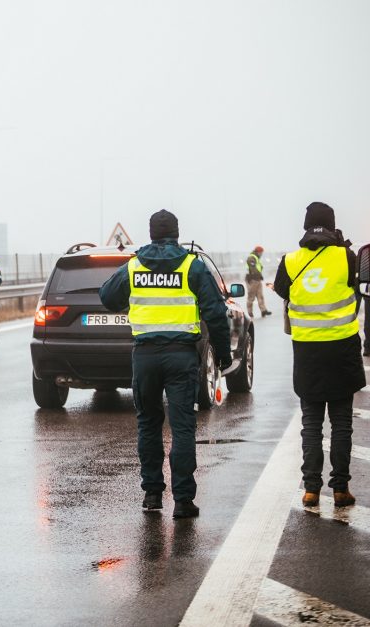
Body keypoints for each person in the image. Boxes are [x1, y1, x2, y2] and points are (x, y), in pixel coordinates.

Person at [99, 210, 232, 519]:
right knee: (183, 426)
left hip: (145, 356)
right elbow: (215, 312)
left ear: (151, 234)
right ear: (176, 232)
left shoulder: (134, 267)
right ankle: (183, 500)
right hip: (181, 355)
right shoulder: (192, 266)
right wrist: (223, 353)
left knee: (148, 424)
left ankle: (152, 495)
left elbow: (107, 297)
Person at [272, 202, 365, 508]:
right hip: (343, 351)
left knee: (311, 423)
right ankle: (340, 489)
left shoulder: (291, 260)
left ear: (305, 226)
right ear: (332, 226)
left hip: (307, 353)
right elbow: (356, 292)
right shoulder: (347, 256)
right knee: (341, 424)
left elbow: (283, 292)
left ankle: (311, 489)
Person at [245, 245, 272, 318]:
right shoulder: (251, 258)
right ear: (258, 252)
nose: (261, 254)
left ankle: (263, 311)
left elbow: (258, 268)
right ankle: (250, 313)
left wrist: (259, 276)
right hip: (252, 280)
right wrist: (258, 275)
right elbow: (253, 269)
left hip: (257, 279)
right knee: (251, 297)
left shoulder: (256, 258)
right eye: (261, 252)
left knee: (260, 296)